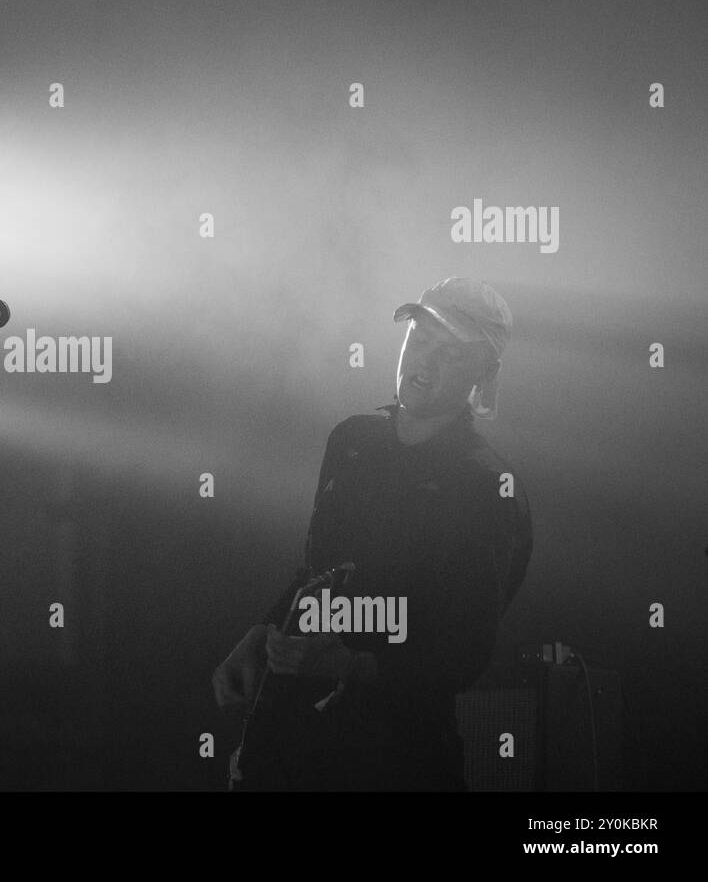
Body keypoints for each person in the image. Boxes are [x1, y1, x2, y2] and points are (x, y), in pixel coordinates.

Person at [212, 278, 533, 790]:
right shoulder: (352, 441)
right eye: (420, 338)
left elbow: (463, 654)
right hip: (293, 748)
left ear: (485, 372)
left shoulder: (484, 485)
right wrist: (262, 633)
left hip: (395, 759)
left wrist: (351, 663)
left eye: (450, 351)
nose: (425, 359)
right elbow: (319, 576)